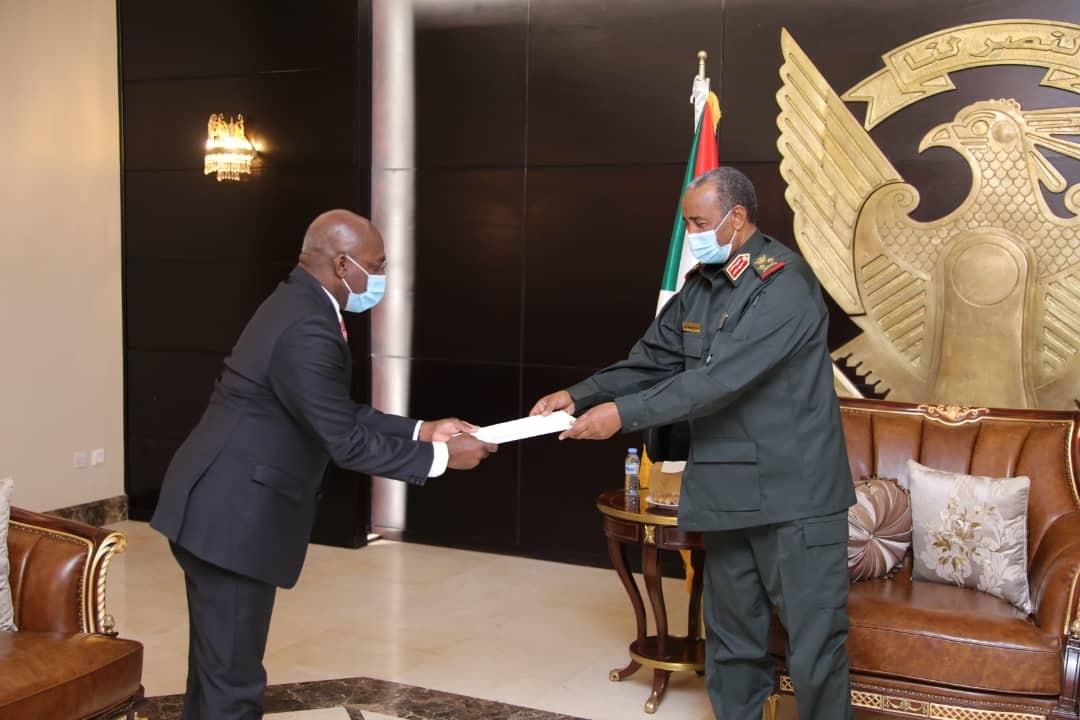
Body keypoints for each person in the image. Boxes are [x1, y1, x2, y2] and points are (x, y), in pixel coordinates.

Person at [530, 168, 855, 720]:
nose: (691, 234)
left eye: (700, 223)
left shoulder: (784, 285)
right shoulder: (702, 285)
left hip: (794, 497)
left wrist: (621, 415)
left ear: (737, 217)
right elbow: (650, 360)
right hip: (727, 492)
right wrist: (579, 394)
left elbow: (718, 380)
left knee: (814, 645)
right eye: (687, 223)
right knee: (731, 642)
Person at [151, 209, 496, 719]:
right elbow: (346, 442)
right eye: (376, 266)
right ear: (342, 264)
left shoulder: (301, 302)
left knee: (217, 673)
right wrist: (442, 456)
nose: (381, 277)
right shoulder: (306, 325)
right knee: (232, 687)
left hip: (219, 504)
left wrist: (422, 429)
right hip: (231, 518)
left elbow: (333, 410)